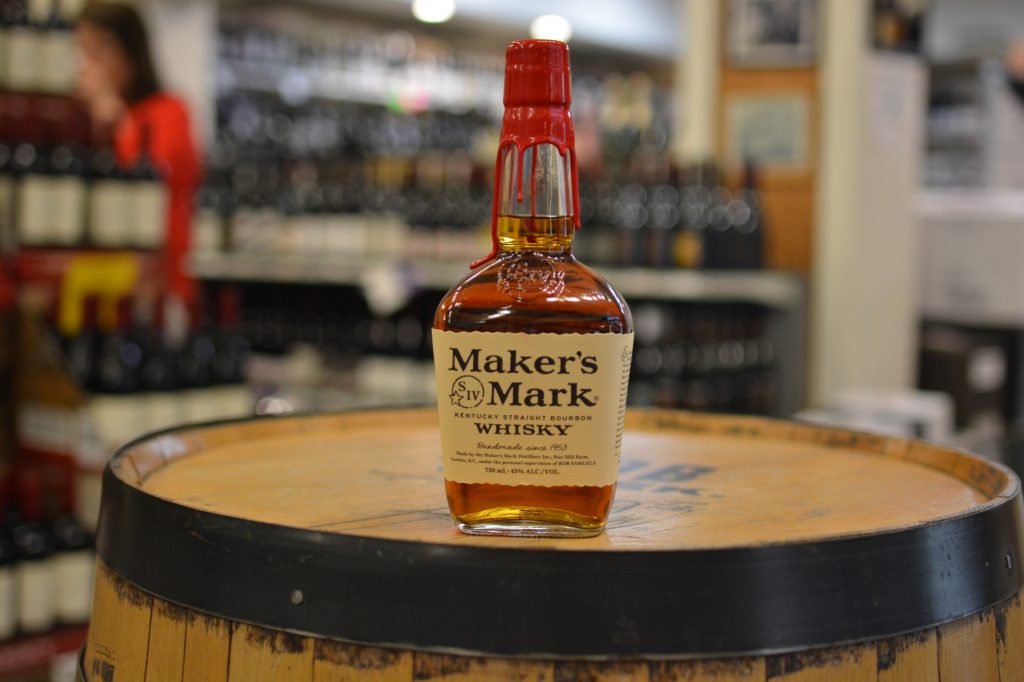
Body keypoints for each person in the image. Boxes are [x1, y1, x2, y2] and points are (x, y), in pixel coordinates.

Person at [75, 1, 201, 308]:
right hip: (93, 279)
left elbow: (152, 178)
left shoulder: (169, 111)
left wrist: (117, 121)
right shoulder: (78, 120)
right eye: (82, 51)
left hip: (156, 282)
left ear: (132, 51)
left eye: (100, 49)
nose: (90, 64)